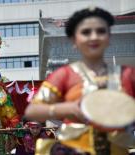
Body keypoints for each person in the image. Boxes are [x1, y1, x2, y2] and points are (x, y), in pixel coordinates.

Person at [25, 7, 135, 155]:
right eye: (86, 32)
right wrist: (67, 109)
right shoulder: (63, 75)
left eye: (101, 31)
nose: (94, 37)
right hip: (76, 148)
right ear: (74, 40)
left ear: (109, 38)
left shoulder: (127, 75)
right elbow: (33, 111)